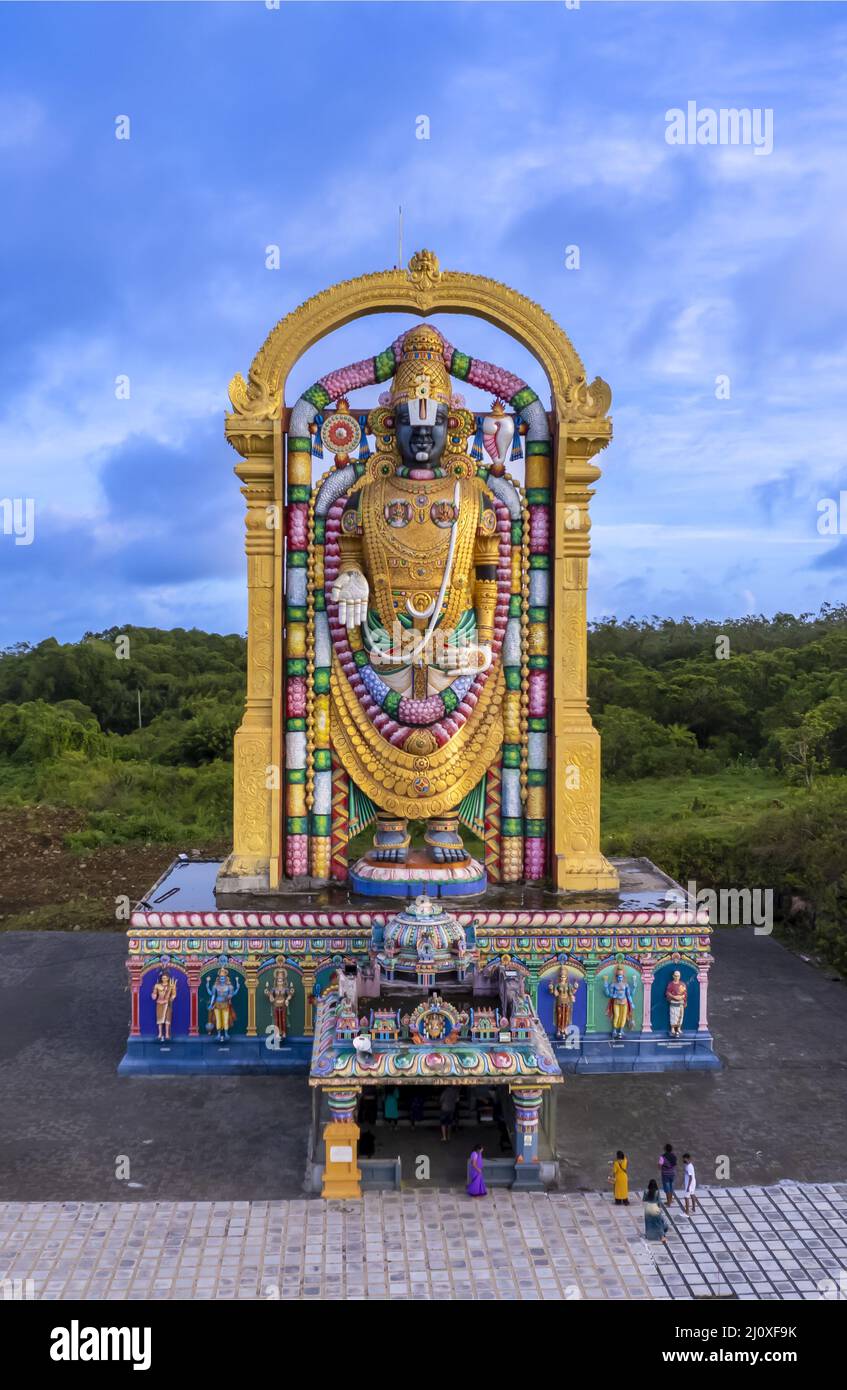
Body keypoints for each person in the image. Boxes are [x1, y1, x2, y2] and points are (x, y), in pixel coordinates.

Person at [643, 1179, 670, 1243]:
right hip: (655, 1208)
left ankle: (648, 1235)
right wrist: (659, 1209)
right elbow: (659, 1202)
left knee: (648, 1223)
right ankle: (662, 1237)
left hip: (648, 1208)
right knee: (659, 1223)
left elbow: (644, 1199)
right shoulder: (657, 1192)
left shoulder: (646, 1191)